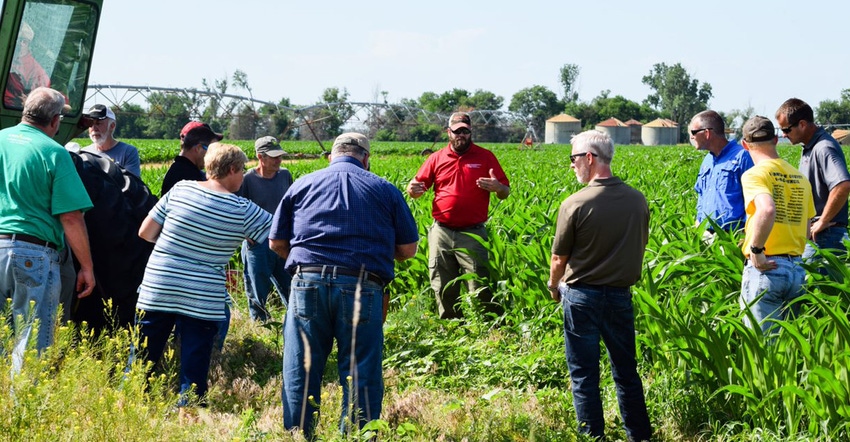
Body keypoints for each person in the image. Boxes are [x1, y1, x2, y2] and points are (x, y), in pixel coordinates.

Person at [270, 132, 418, 438]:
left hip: (307, 283)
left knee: (302, 367)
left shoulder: (302, 185)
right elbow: (408, 250)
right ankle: (356, 435)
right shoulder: (385, 189)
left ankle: (299, 435)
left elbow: (276, 242)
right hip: (361, 286)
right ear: (366, 159)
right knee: (361, 371)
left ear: (331, 157)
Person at [135, 143, 272, 406]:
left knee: (143, 354)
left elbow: (145, 232)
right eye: (241, 171)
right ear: (231, 170)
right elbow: (279, 234)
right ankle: (188, 411)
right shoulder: (243, 210)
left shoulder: (180, 190)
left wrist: (177, 248)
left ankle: (131, 402)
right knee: (194, 362)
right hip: (202, 294)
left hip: (159, 284)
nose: (243, 177)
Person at [547, 130, 652, 441]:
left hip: (581, 297)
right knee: (626, 372)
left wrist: (554, 287)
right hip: (620, 296)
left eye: (574, 159)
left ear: (589, 159)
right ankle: (639, 436)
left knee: (583, 374)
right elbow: (640, 243)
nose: (572, 165)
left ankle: (593, 436)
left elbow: (558, 260)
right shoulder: (637, 199)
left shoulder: (575, 203)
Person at [0, 87, 95, 373]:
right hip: (33, 255)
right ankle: (22, 415)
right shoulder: (54, 153)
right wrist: (87, 268)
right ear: (55, 121)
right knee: (31, 344)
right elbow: (71, 218)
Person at [406, 112, 510, 319]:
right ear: (449, 133)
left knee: (479, 282)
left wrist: (498, 187)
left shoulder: (485, 157)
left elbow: (505, 192)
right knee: (441, 281)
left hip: (472, 233)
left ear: (471, 132)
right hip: (442, 230)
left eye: (465, 131)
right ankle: (450, 325)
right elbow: (416, 188)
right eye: (457, 131)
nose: (461, 135)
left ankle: (485, 324)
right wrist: (412, 190)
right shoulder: (436, 158)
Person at [738, 116, 815, 335]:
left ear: (745, 144)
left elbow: (767, 209)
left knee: (763, 350)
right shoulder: (800, 178)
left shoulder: (754, 174)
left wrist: (756, 249)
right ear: (776, 138)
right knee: (790, 348)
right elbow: (807, 231)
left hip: (767, 269)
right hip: (797, 271)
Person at [775, 98, 850, 261]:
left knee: (813, 286)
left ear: (802, 124)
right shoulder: (810, 147)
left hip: (826, 237)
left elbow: (842, 185)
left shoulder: (823, 148)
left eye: (787, 130)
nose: (783, 134)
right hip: (818, 235)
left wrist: (823, 221)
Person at [237, 136, 293, 321]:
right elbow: (236, 209)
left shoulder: (285, 175)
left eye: (280, 156)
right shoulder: (247, 180)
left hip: (283, 241)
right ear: (260, 157)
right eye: (273, 156)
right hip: (258, 244)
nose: (278, 160)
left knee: (290, 285)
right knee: (257, 288)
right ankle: (260, 326)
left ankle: (295, 321)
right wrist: (245, 234)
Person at [689, 110, 753, 235]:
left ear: (707, 133)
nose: (691, 137)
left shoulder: (742, 156)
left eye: (693, 132)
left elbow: (753, 198)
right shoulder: (707, 160)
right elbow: (701, 195)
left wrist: (746, 234)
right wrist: (698, 223)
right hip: (706, 233)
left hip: (732, 235)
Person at [160, 121, 223, 196]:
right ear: (198, 148)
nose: (213, 155)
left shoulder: (179, 169)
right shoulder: (189, 178)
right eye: (211, 149)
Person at [82, 104, 142, 177]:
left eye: (98, 123)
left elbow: (132, 184)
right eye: (91, 124)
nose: (94, 128)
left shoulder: (128, 152)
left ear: (112, 126)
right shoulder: (84, 153)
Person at [4, 22, 50, 108]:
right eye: (18, 40)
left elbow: (38, 102)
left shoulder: (37, 72)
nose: (20, 44)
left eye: (24, 41)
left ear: (29, 45)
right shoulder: (5, 58)